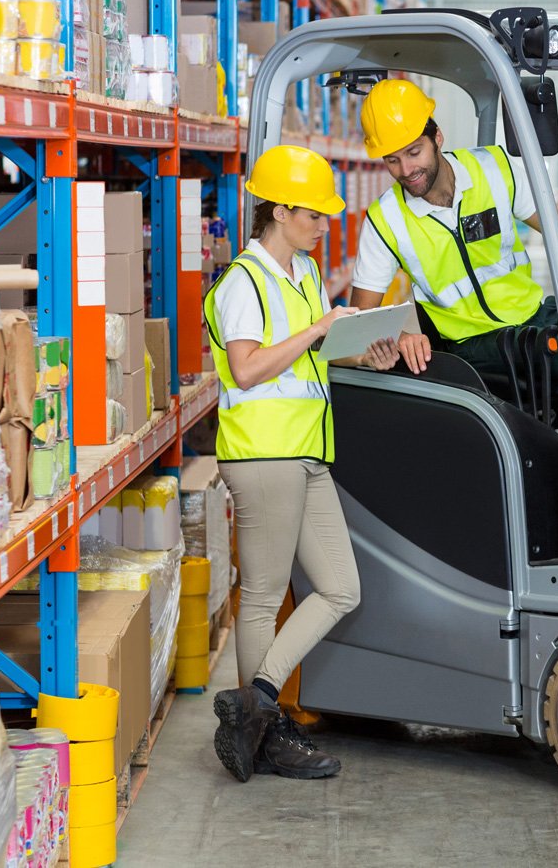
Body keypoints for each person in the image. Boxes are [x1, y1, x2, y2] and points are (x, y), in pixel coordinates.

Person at [203, 144, 399, 783]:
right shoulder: (244, 282)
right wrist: (317, 332)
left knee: (342, 587)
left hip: (308, 450)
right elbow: (249, 367)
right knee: (262, 598)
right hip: (263, 455)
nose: (322, 225)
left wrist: (356, 352)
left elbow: (308, 361)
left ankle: (254, 704)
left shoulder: (306, 275)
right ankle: (265, 736)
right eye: (312, 215)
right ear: (279, 211)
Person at [351, 78, 558, 383]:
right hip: (474, 342)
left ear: (437, 138)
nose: (405, 171)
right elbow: (361, 314)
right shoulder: (384, 218)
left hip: (535, 315)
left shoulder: (495, 168)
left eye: (414, 152)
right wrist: (400, 336)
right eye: (392, 160)